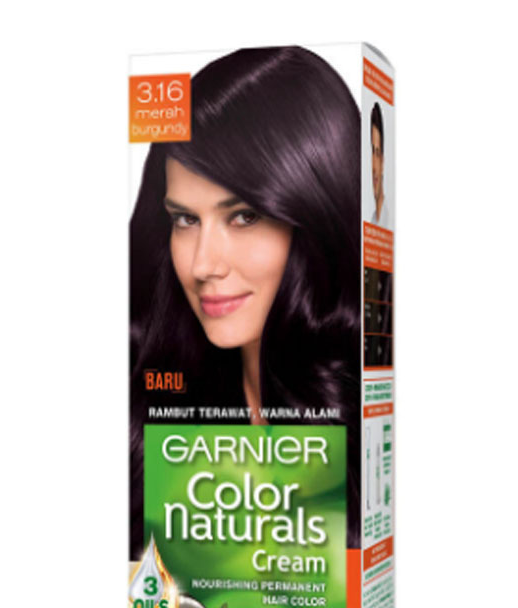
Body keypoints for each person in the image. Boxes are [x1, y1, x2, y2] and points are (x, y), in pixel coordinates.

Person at [129, 46, 362, 550]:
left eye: (244, 216)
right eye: (185, 219)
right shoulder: (154, 425)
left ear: (315, 217)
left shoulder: (366, 446)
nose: (202, 265)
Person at [370, 102, 390, 228]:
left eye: (377, 153)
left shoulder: (388, 221)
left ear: (382, 161)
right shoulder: (372, 221)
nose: (373, 167)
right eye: (371, 153)